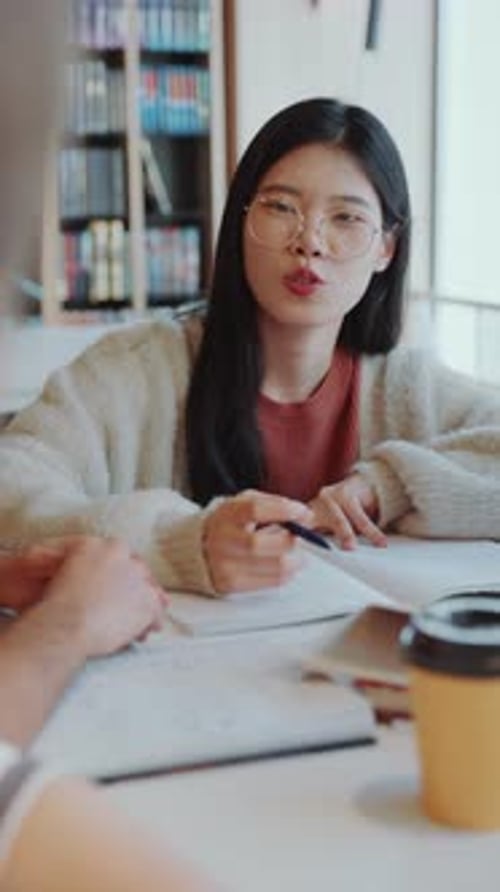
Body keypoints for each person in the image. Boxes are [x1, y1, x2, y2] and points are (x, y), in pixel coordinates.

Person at [0, 97, 499, 600]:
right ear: (240, 222)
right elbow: (11, 489)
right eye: (281, 207)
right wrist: (179, 543)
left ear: (385, 250)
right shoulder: (136, 372)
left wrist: (388, 487)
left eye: (346, 218)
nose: (310, 242)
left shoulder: (407, 388)